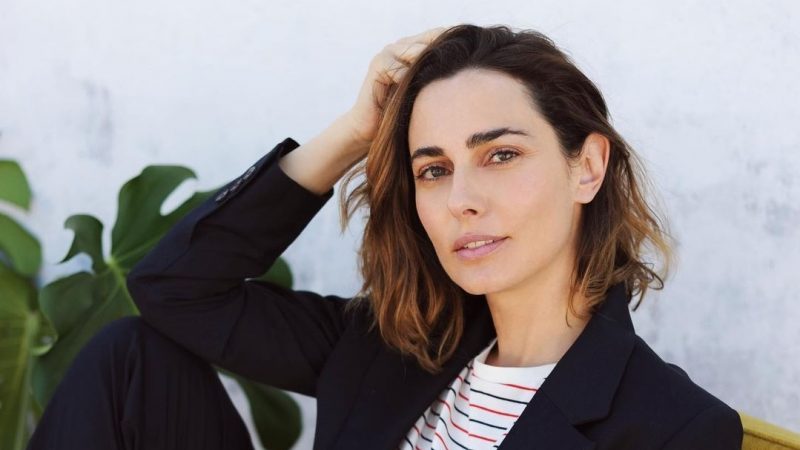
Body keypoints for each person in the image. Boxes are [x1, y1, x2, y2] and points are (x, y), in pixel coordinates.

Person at [27, 24, 743, 449]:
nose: (462, 201)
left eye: (501, 155)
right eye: (434, 169)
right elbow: (173, 289)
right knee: (128, 358)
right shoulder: (390, 343)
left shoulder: (673, 428)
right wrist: (353, 133)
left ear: (586, 167)